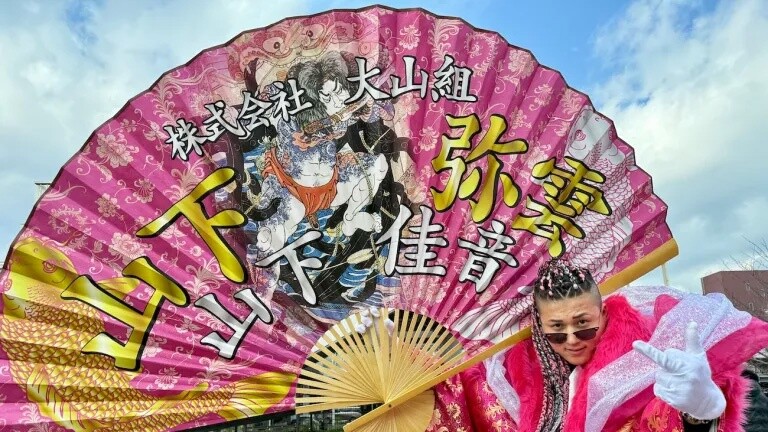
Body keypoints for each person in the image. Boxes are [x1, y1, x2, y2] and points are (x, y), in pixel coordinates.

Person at [428, 259, 768, 431]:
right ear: (539, 327)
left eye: (583, 325)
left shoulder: (656, 355)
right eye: (556, 330)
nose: (571, 340)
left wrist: (702, 413)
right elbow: (460, 397)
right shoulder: (512, 379)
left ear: (602, 313)